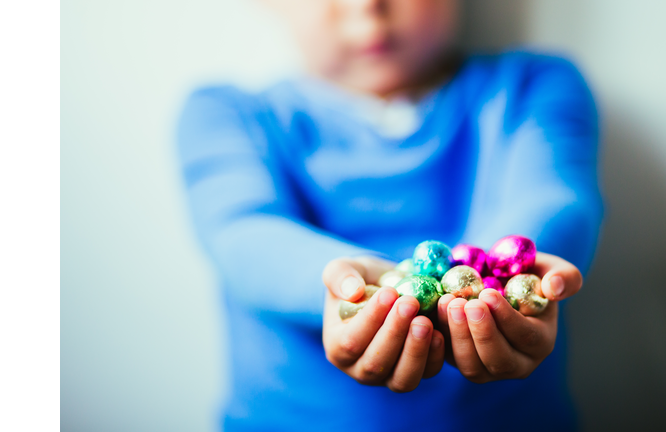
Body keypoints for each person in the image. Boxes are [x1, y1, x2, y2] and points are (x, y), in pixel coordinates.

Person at [176, 0, 603, 430]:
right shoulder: (227, 114)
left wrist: (507, 286)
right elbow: (244, 233)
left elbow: (552, 199)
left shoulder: (532, 86)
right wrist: (343, 287)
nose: (367, 6)